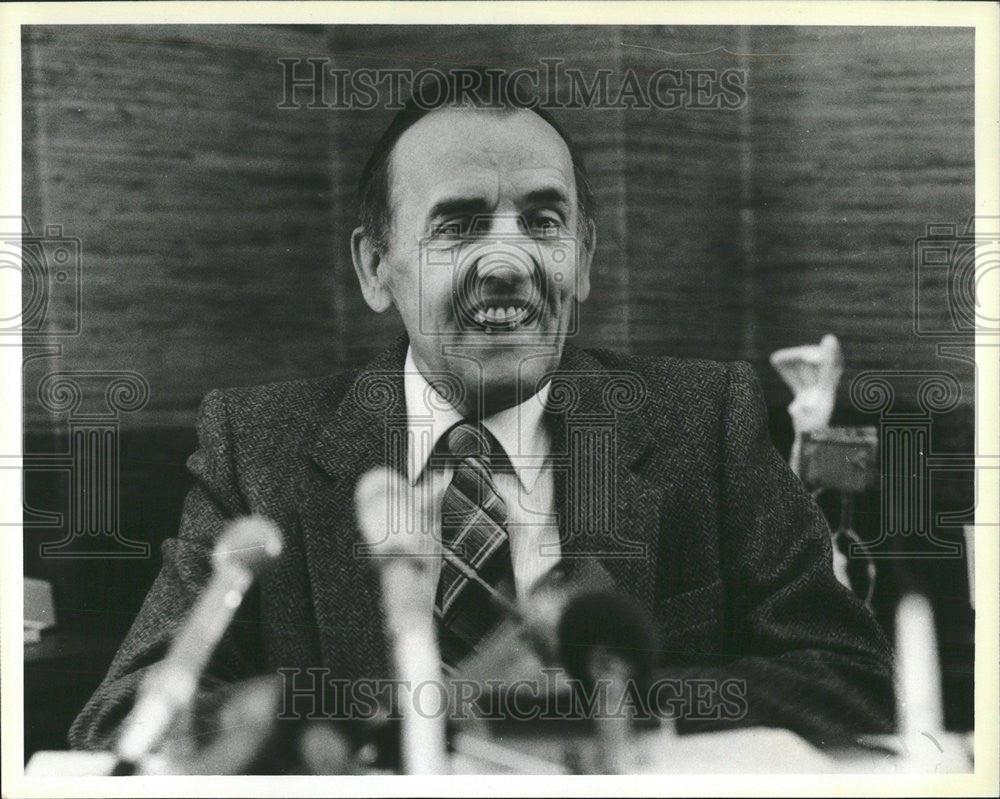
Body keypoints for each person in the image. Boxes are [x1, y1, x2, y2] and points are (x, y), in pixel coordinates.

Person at [70, 71, 894, 756]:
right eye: (459, 226)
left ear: (582, 261)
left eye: (543, 221)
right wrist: (406, 718)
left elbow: (850, 680)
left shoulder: (701, 420)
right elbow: (126, 719)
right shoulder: (258, 449)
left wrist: (587, 703)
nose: (508, 263)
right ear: (375, 267)